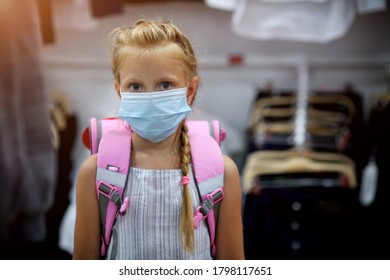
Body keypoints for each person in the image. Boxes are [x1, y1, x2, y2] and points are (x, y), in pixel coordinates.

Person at [72, 19, 244, 260]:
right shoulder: (95, 173)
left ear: (190, 90)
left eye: (165, 85)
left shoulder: (222, 173)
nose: (151, 97)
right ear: (118, 90)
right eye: (135, 86)